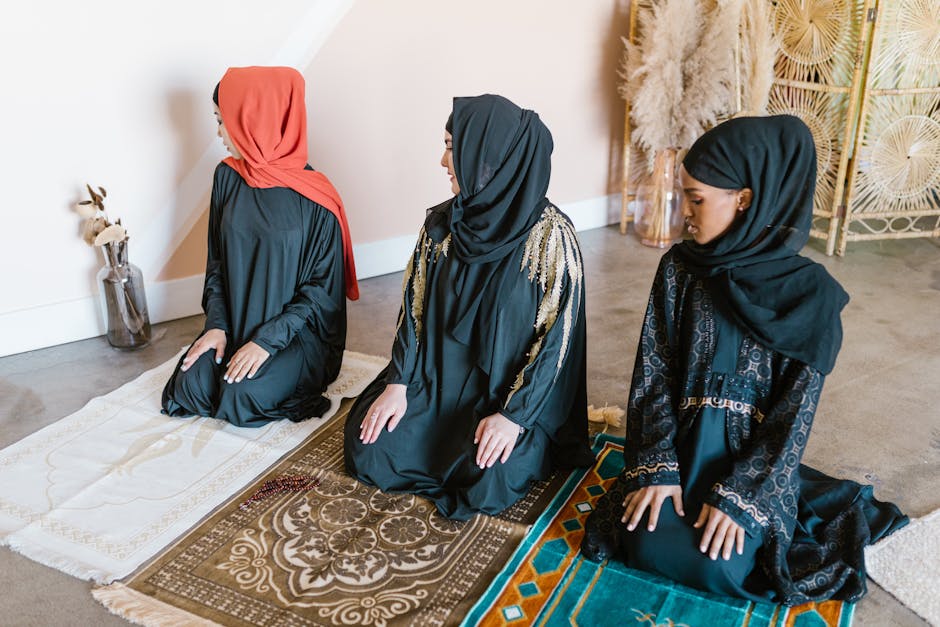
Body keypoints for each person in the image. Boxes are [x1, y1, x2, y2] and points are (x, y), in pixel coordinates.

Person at [580, 115, 907, 604]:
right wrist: (657, 468)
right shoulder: (680, 270)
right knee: (643, 540)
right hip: (681, 451)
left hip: (756, 468)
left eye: (696, 199)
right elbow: (653, 375)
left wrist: (743, 499)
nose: (682, 213)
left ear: (744, 199)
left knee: (719, 564)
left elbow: (791, 419)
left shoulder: (810, 298)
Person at [343, 94, 594, 520]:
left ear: (489, 155)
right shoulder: (442, 226)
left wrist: (514, 417)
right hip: (435, 384)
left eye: (452, 147)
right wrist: (398, 384)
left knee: (488, 481)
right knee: (370, 449)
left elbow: (558, 344)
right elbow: (414, 309)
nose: (443, 162)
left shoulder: (551, 238)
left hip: (505, 400)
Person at [162, 66, 357, 427]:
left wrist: (266, 342)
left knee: (241, 394)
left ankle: (280, 369)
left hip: (295, 336)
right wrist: (217, 326)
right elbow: (217, 264)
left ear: (254, 119)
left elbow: (320, 293)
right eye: (217, 120)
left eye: (224, 121)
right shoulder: (227, 177)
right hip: (235, 325)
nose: (219, 132)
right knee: (189, 386)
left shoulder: (316, 196)